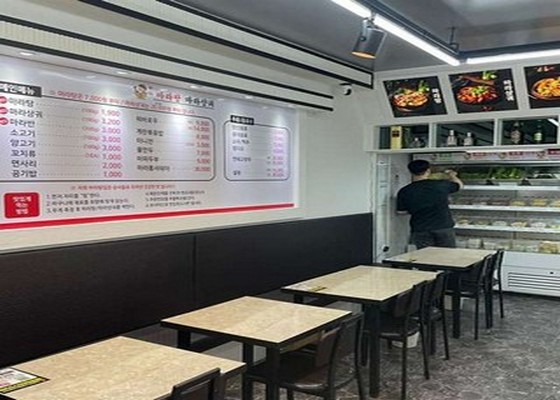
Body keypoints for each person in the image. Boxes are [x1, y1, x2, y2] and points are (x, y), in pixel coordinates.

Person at [397, 159, 463, 249]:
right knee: (447, 254)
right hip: (443, 227)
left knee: (425, 255)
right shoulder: (440, 185)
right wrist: (452, 176)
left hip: (420, 229)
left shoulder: (405, 191)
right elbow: (459, 186)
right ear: (428, 171)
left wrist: (415, 209)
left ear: (410, 172)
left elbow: (401, 212)